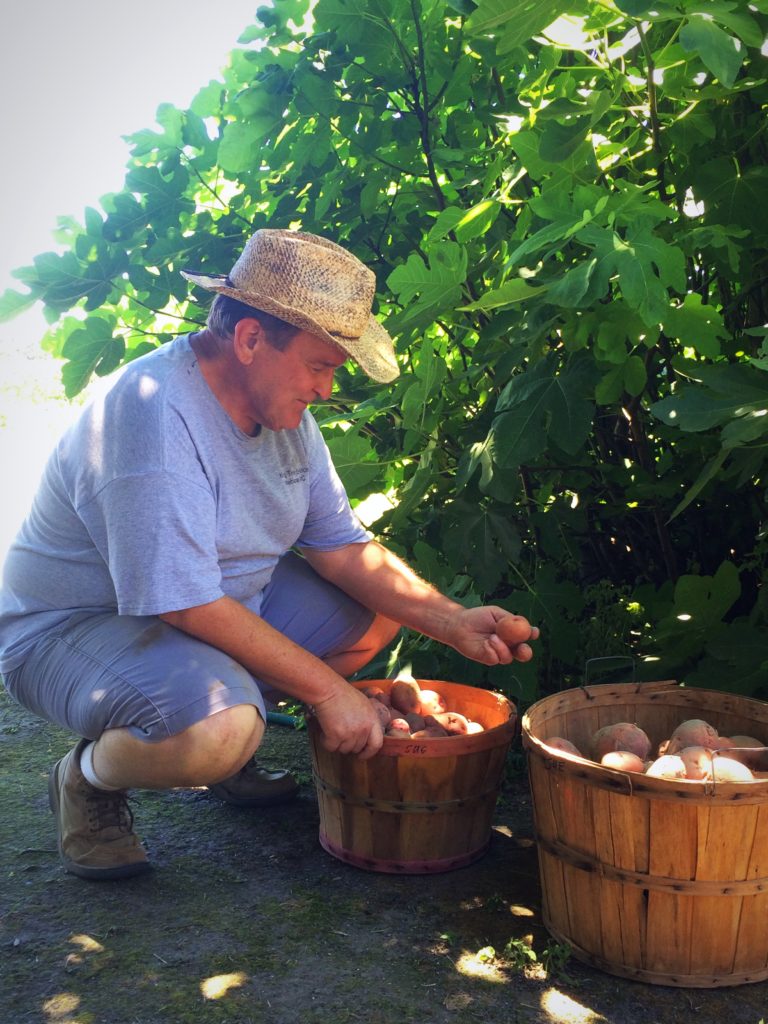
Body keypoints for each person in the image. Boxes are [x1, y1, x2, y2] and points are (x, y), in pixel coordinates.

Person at [0, 229, 538, 881]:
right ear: (251, 339)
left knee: (373, 616)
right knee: (220, 731)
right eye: (321, 364)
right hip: (71, 630)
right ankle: (88, 778)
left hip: (201, 607)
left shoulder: (286, 418)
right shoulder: (153, 418)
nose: (327, 388)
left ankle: (226, 726)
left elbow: (344, 547)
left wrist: (452, 621)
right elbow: (186, 604)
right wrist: (330, 693)